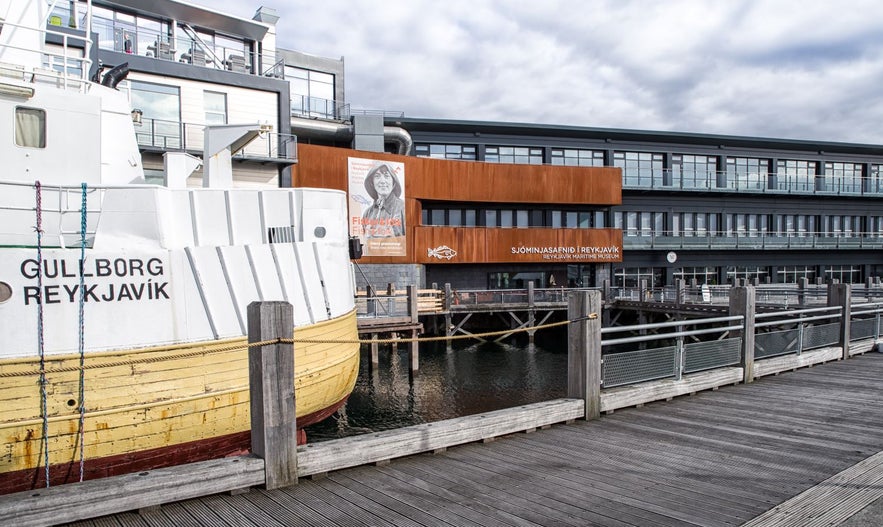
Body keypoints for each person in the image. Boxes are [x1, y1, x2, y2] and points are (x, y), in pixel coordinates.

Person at [361, 163, 405, 237]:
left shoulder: (403, 208)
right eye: (377, 176)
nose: (382, 181)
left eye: (386, 176)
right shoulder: (368, 213)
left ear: (393, 182)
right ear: (372, 182)